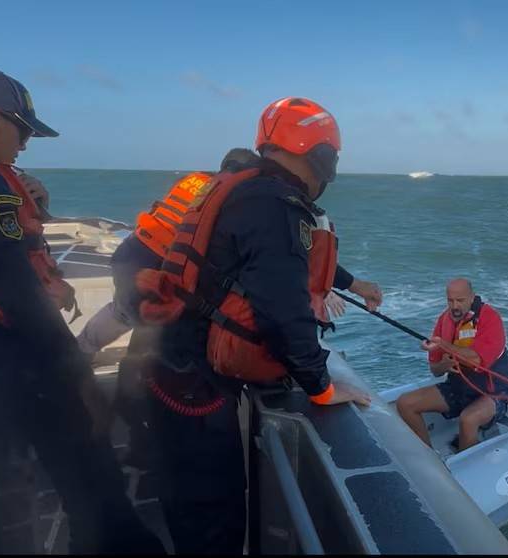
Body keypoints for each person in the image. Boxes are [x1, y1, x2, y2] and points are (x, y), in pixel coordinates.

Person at [134, 96, 374, 554]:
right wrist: (320, 384)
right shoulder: (275, 204)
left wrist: (350, 283)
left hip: (168, 361)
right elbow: (283, 308)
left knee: (185, 504)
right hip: (195, 385)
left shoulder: (243, 190)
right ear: (320, 157)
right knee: (214, 518)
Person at [0, 69, 164, 553]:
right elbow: (16, 289)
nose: (24, 144)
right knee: (91, 472)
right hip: (5, 352)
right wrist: (76, 373)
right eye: (22, 131)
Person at [396, 278, 508, 453]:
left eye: (460, 300)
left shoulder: (490, 317)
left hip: (494, 392)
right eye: (450, 300)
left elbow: (477, 360)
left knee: (468, 419)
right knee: (405, 403)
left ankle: (468, 462)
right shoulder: (444, 320)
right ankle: (431, 458)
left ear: (472, 297)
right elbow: (435, 370)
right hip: (460, 388)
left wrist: (444, 345)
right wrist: (444, 365)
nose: (454, 306)